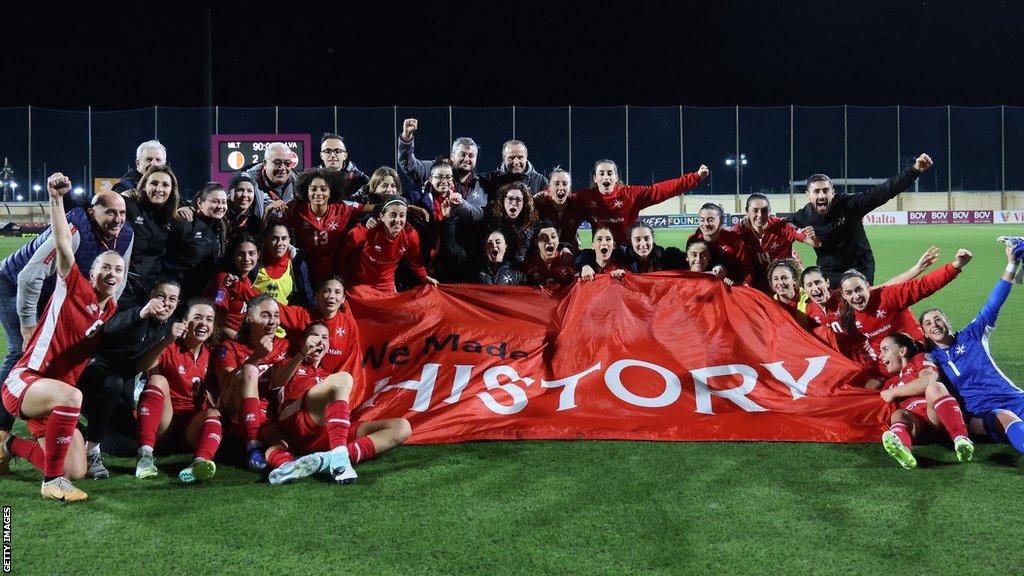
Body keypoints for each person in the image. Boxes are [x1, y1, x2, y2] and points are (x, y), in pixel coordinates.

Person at [0, 173, 123, 502]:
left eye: (118, 270)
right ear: (92, 272)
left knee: (76, 470)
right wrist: (57, 200)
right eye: (105, 268)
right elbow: (63, 246)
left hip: (50, 401)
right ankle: (51, 483)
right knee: (72, 397)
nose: (112, 274)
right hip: (26, 382)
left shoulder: (109, 312)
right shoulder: (73, 286)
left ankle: (8, 444)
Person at [264, 323, 411, 485]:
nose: (319, 340)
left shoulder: (328, 375)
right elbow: (276, 383)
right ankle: (340, 460)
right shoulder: (288, 363)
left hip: (327, 432)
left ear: (328, 346)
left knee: (402, 428)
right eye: (314, 335)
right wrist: (302, 353)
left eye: (325, 338)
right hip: (296, 419)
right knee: (344, 378)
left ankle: (327, 459)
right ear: (302, 341)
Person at [921, 238, 1024, 455]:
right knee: (1006, 418)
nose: (934, 325)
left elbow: (993, 303)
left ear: (948, 322)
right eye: (928, 323)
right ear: (925, 333)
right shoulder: (931, 358)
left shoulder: (973, 334)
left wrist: (1011, 265)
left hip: (1014, 398)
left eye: (938, 319)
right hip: (983, 413)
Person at [77, 278, 181, 479]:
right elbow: (111, 327)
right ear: (150, 297)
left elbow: (141, 366)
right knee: (112, 383)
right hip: (92, 377)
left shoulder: (167, 325)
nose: (166, 303)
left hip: (121, 383)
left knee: (128, 444)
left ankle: (79, 431)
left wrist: (168, 340)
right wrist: (142, 314)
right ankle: (91, 451)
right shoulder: (134, 312)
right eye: (161, 296)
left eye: (173, 299)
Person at [789, 153, 934, 285]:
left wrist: (914, 170)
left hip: (860, 267)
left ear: (832, 192)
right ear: (808, 195)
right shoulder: (803, 216)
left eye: (826, 191)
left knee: (859, 305)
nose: (822, 196)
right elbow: (783, 225)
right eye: (817, 191)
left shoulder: (851, 205)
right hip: (830, 272)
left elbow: (884, 191)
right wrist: (802, 237)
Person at [838, 248, 972, 383]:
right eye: (849, 293)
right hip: (886, 363)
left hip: (915, 353)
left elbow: (923, 285)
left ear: (868, 287)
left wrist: (956, 265)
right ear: (843, 295)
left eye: (859, 289)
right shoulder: (846, 315)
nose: (856, 297)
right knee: (867, 394)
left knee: (926, 387)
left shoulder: (888, 296)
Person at [132, 300, 223, 483]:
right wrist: (168, 339)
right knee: (158, 379)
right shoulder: (171, 347)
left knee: (214, 412)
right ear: (184, 322)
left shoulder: (213, 355)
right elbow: (141, 366)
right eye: (197, 318)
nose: (203, 323)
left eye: (209, 319)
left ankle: (198, 464)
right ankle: (145, 456)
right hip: (165, 423)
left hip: (191, 427)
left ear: (213, 327)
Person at [214, 294, 291, 472]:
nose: (273, 321)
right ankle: (252, 447)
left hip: (269, 413)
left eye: (276, 315)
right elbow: (226, 384)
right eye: (265, 315)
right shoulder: (230, 347)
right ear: (249, 318)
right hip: (237, 412)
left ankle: (287, 467)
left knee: (280, 443)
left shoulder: (285, 346)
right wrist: (257, 357)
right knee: (249, 370)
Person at [877, 332, 973, 469]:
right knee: (898, 415)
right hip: (916, 426)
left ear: (903, 351)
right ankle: (903, 449)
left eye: (885, 349)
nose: (880, 356)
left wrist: (893, 392)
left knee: (935, 387)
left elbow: (928, 380)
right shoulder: (890, 383)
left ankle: (961, 439)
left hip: (936, 416)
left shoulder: (918, 360)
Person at [575, 159, 708, 247]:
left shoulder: (631, 194)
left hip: (630, 250)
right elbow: (562, 203)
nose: (606, 177)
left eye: (610, 173)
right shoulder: (585, 197)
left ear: (616, 177)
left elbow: (661, 190)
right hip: (603, 252)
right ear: (595, 178)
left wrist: (695, 177)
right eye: (601, 173)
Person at [274, 168, 371, 288]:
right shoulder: (295, 209)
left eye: (323, 189)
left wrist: (392, 204)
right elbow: (273, 228)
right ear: (306, 191)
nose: (318, 193)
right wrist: (269, 211)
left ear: (331, 192)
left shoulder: (343, 208)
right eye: (313, 189)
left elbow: (371, 208)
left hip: (334, 270)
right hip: (305, 270)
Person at [341, 196, 439, 292]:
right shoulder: (363, 233)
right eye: (392, 215)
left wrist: (424, 277)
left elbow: (415, 260)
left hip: (386, 285)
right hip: (358, 283)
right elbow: (342, 255)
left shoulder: (410, 235)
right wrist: (342, 278)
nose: (397, 220)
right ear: (382, 217)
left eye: (402, 215)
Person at [398, 118, 487, 216]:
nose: (467, 159)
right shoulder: (435, 168)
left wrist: (460, 204)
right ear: (452, 156)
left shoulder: (481, 184)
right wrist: (406, 139)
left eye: (471, 156)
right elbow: (409, 165)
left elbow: (479, 215)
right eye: (462, 154)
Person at [119, 164, 180, 306]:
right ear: (144, 185)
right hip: (123, 284)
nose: (159, 189)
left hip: (152, 289)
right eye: (154, 183)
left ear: (172, 190)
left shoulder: (173, 217)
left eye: (165, 185)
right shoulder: (129, 205)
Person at [734, 193, 819, 294]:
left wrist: (813, 237)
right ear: (747, 212)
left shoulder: (781, 226)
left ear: (769, 211)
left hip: (784, 285)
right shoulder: (740, 230)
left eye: (764, 210)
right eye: (755, 210)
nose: (760, 215)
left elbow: (813, 243)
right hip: (757, 286)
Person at [277, 276, 360, 374]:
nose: (332, 296)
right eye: (326, 291)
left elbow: (353, 360)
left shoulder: (349, 323)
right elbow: (272, 308)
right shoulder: (303, 316)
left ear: (343, 299)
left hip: (331, 384)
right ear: (317, 296)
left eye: (337, 292)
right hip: (299, 381)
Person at [163, 183, 228, 300]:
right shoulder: (185, 222)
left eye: (224, 202)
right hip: (180, 295)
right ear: (199, 203)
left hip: (205, 294)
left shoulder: (221, 225)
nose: (220, 206)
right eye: (215, 201)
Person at [206, 235, 260, 340]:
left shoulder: (247, 281)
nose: (246, 259)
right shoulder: (224, 280)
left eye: (251, 253)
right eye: (241, 254)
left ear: (258, 255)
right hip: (222, 343)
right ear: (233, 256)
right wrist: (241, 340)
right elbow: (216, 323)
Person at [687, 202, 753, 284]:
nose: (706, 224)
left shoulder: (733, 239)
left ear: (721, 221)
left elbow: (747, 270)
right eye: (702, 220)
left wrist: (742, 288)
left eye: (711, 220)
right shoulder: (693, 239)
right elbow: (689, 269)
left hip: (729, 289)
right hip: (701, 288)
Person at [251, 221, 314, 306]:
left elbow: (307, 296)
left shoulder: (297, 265)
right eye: (275, 238)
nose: (280, 243)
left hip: (283, 317)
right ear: (265, 240)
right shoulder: (254, 263)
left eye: (284, 238)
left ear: (289, 241)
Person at [485, 182, 538, 266]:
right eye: (510, 199)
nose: (514, 203)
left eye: (518, 200)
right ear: (503, 201)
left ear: (524, 203)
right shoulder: (492, 224)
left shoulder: (531, 223)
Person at [533, 168, 584, 253]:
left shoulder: (578, 206)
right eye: (556, 184)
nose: (561, 188)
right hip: (545, 254)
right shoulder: (540, 204)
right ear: (549, 187)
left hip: (570, 255)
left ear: (570, 187)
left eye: (565, 184)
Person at [242, 142, 299, 218]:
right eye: (277, 163)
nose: (282, 168)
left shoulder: (298, 183)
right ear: (265, 164)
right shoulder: (248, 182)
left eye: (287, 163)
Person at [479, 139, 550, 196]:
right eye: (511, 158)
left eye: (520, 157)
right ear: (503, 158)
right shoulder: (490, 180)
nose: (516, 162)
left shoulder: (540, 182)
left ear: (526, 157)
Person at [521, 221, 576, 289]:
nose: (550, 241)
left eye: (553, 236)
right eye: (544, 238)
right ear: (536, 242)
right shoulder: (529, 264)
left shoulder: (567, 260)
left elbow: (578, 286)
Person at [318, 133, 369, 200]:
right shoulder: (312, 179)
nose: (333, 155)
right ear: (321, 155)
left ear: (345, 155)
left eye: (337, 151)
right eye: (328, 151)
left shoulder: (361, 179)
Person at [225, 172, 264, 240]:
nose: (245, 195)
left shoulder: (256, 223)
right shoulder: (219, 217)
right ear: (229, 193)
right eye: (240, 190)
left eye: (250, 191)